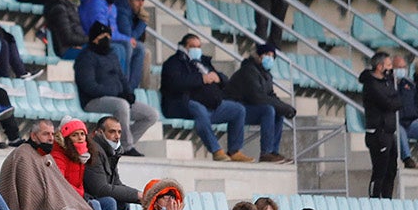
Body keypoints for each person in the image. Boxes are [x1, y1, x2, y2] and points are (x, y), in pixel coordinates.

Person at [0, 119, 95, 210]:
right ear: (34, 136)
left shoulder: (46, 155)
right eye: (45, 134)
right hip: (36, 209)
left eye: (52, 134)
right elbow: (29, 192)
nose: (50, 138)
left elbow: (59, 185)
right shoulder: (23, 155)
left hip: (55, 200)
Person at [161, 33, 252, 162]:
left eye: (199, 46)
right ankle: (216, 150)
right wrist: (201, 79)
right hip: (182, 104)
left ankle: (234, 151)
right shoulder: (173, 63)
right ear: (184, 47)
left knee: (238, 109)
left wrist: (219, 77)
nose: (196, 49)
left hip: (209, 104)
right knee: (198, 109)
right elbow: (175, 83)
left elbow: (225, 81)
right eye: (192, 46)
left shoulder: (203, 62)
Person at [74, 21, 158, 153]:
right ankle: (127, 146)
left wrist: (128, 92)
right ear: (95, 39)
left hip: (117, 98)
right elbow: (89, 86)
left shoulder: (111, 55)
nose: (106, 40)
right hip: (93, 101)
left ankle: (122, 147)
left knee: (151, 114)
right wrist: (116, 94)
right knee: (121, 105)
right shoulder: (86, 58)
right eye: (103, 37)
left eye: (108, 36)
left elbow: (122, 77)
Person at [225, 43, 295, 163]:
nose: (270, 58)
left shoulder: (266, 75)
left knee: (278, 112)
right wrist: (284, 107)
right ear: (258, 56)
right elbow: (256, 97)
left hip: (249, 107)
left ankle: (273, 152)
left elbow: (271, 96)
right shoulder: (248, 71)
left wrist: (284, 107)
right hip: (236, 107)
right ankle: (266, 153)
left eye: (272, 56)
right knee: (268, 110)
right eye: (267, 54)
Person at [359, 51, 400, 199]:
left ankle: (387, 199)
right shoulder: (371, 84)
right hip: (377, 132)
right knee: (380, 170)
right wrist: (392, 102)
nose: (391, 68)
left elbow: (397, 100)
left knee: (391, 169)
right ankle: (374, 199)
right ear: (379, 66)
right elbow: (387, 103)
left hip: (389, 131)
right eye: (388, 65)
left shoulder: (387, 81)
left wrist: (393, 101)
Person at [83, 117, 143, 210]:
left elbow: (116, 184)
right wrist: (137, 195)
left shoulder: (110, 153)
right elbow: (100, 189)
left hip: (98, 199)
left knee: (123, 203)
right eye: (112, 132)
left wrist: (139, 196)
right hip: (87, 200)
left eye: (119, 132)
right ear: (99, 132)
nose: (117, 136)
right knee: (110, 202)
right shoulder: (93, 151)